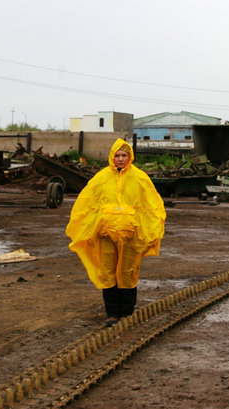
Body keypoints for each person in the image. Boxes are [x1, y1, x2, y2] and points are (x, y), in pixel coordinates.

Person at [66, 138, 166, 327]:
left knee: (128, 272)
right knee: (108, 272)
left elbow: (152, 206)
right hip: (106, 236)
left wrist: (148, 229)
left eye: (124, 155)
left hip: (131, 236)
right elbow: (87, 203)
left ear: (130, 157)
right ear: (112, 156)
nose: (121, 159)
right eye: (118, 155)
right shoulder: (101, 179)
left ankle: (127, 313)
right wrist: (94, 226)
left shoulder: (140, 178)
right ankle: (112, 314)